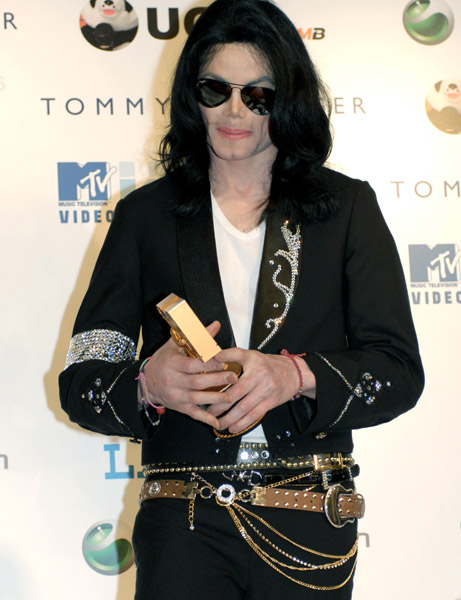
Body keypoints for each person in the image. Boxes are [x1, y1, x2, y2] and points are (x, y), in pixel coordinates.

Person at [59, 0, 424, 597]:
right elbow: (82, 382)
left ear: (288, 99)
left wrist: (295, 376)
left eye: (258, 95)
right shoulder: (144, 216)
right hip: (182, 521)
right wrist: (149, 384)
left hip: (308, 524)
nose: (234, 111)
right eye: (216, 90)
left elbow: (399, 372)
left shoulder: (346, 210)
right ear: (192, 95)